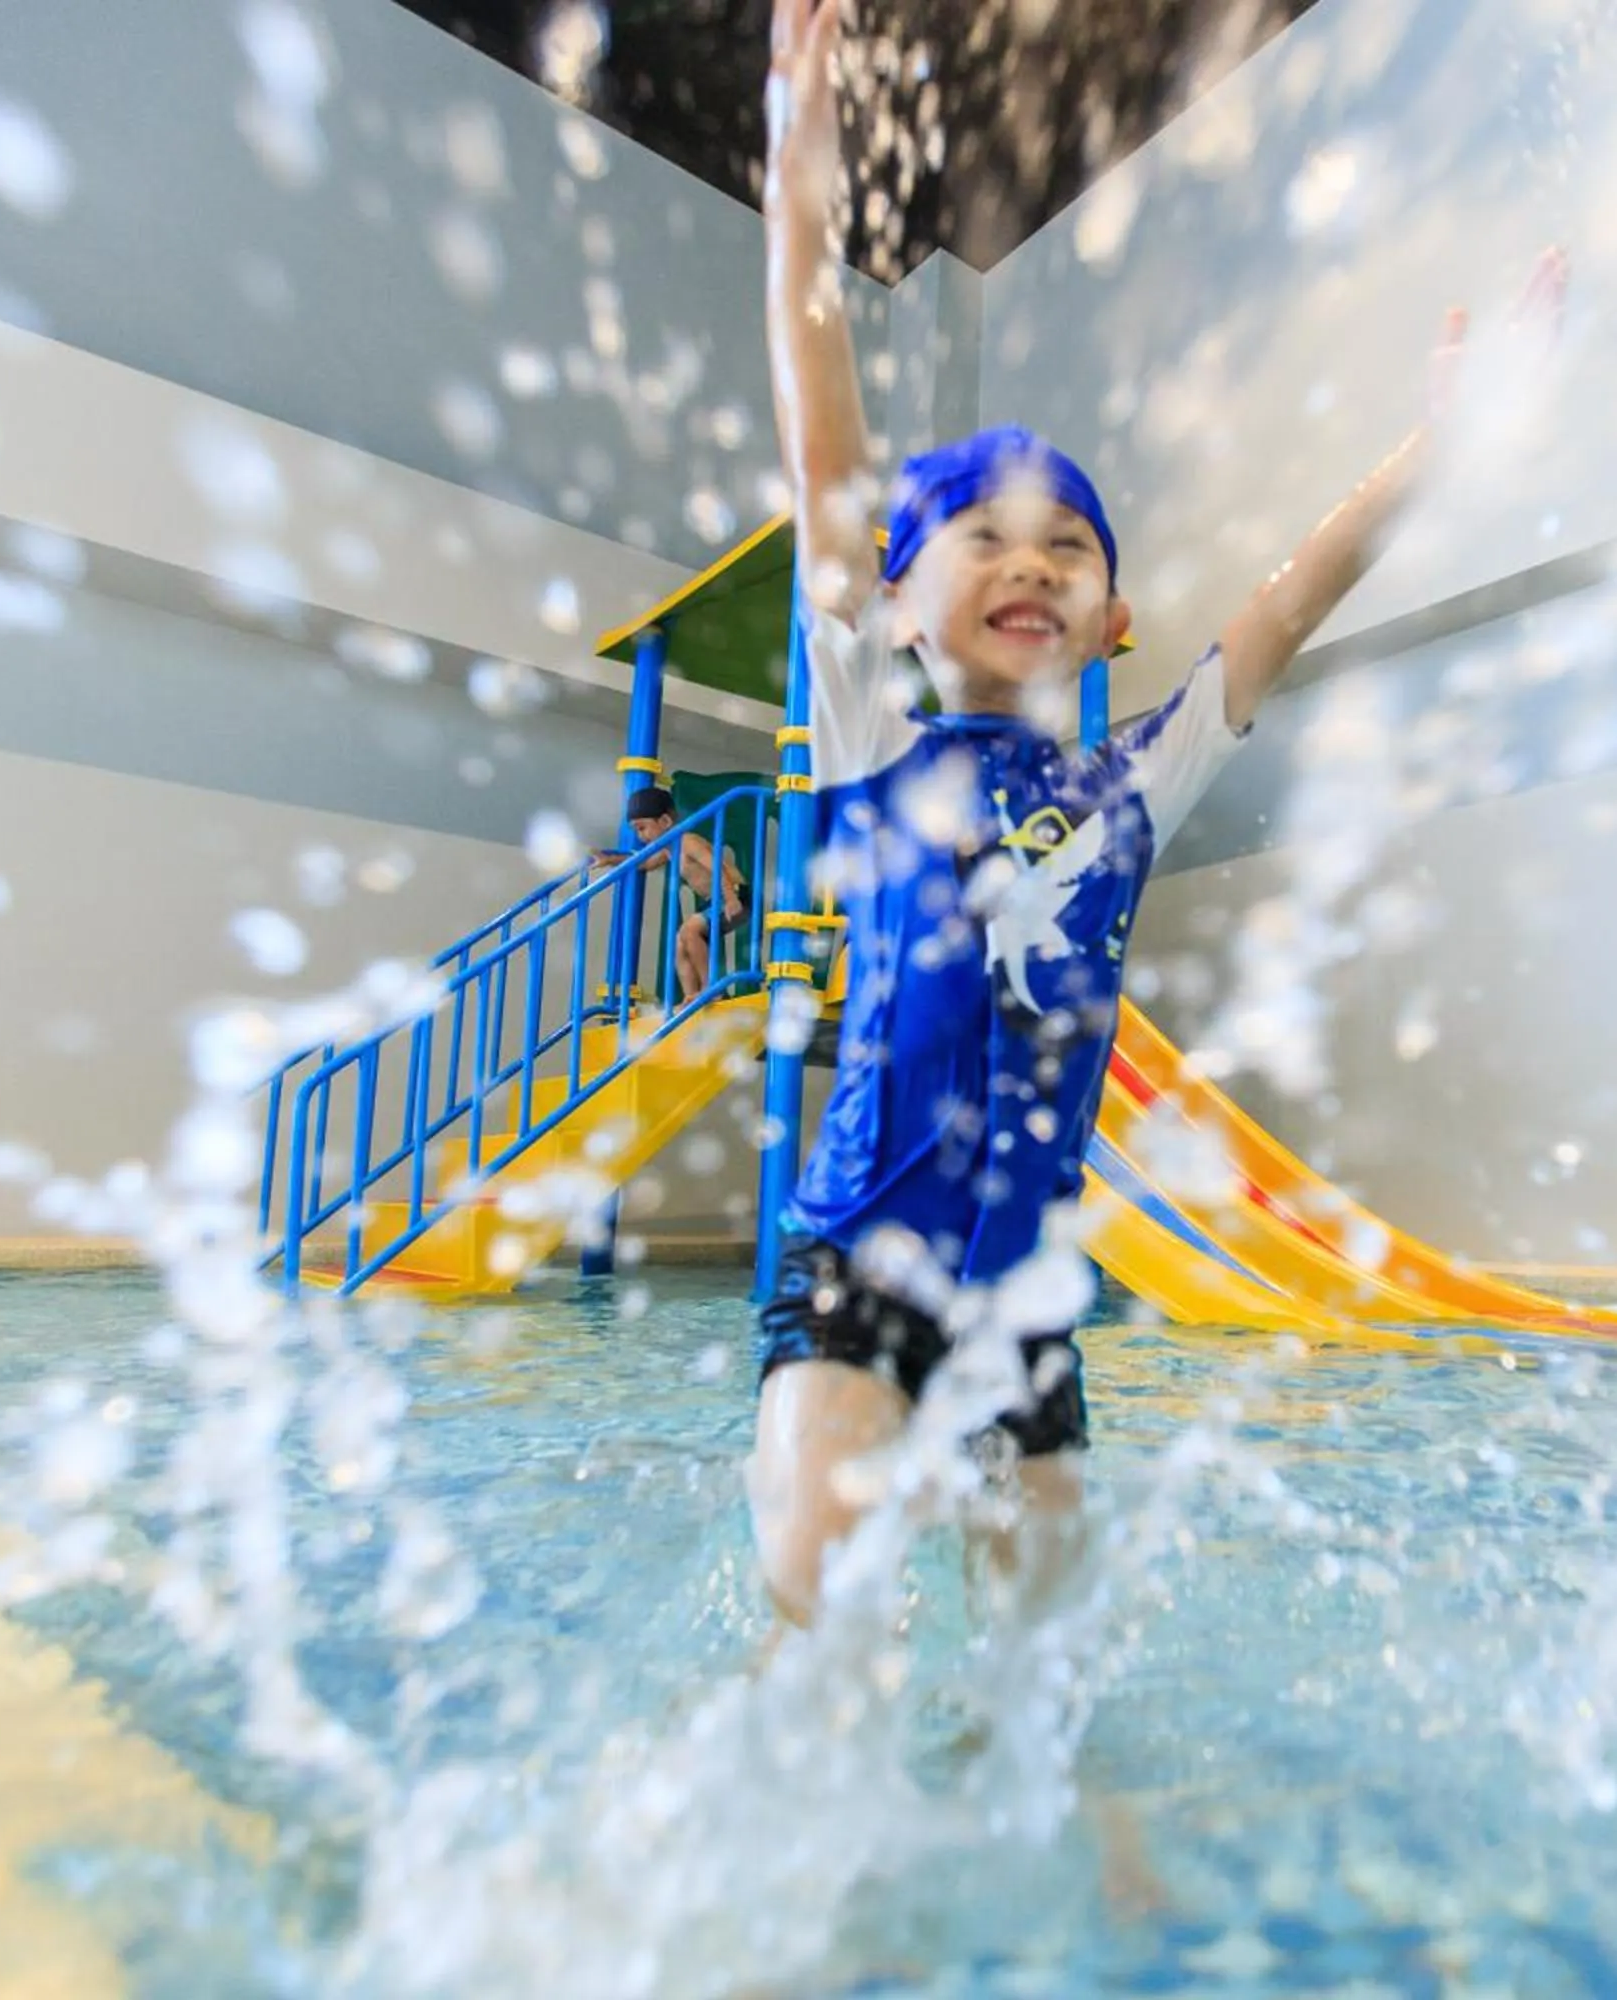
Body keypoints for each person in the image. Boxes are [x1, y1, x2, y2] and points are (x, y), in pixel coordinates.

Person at [750, 0, 1565, 1627]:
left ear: (1114, 617)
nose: (1031, 561)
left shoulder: (1133, 790)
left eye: (1069, 544)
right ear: (896, 601)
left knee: (1044, 1660)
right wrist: (800, 187)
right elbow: (825, 439)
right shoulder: (872, 744)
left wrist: (1432, 450)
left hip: (1030, 1310)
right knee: (811, 1607)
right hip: (858, 1267)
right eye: (980, 536)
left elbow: (1284, 608)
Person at [623, 784, 750, 1004]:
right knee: (679, 942)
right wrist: (610, 859)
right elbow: (643, 863)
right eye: (635, 830)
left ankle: (712, 988)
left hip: (735, 895)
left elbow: (716, 866)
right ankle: (691, 995)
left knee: (689, 931)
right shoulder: (669, 849)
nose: (640, 836)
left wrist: (730, 898)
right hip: (714, 902)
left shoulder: (687, 841)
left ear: (665, 822)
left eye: (642, 828)